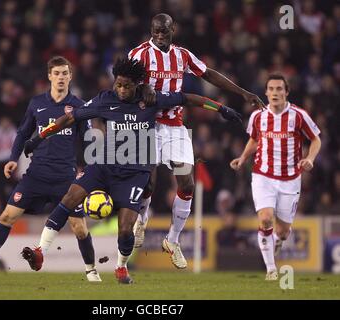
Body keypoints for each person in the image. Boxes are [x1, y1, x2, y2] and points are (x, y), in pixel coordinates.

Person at [22, 57, 242, 284]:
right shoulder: (104, 100)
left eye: (127, 85)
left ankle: (121, 267)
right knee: (69, 198)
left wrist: (221, 108)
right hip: (103, 166)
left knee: (126, 230)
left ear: (137, 84)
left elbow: (189, 99)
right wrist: (39, 137)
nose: (122, 89)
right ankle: (40, 251)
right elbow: (69, 118)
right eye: (118, 84)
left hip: (134, 173)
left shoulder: (151, 100)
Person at [128, 13, 265, 269]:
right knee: (147, 182)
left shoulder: (183, 55)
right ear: (151, 29)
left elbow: (209, 74)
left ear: (173, 30)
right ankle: (142, 221)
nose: (160, 35)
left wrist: (243, 92)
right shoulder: (138, 54)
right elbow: (121, 85)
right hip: (146, 125)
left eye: (164, 31)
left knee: (187, 183)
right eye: (156, 31)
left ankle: (173, 240)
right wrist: (138, 90)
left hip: (175, 127)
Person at [0, 56, 102, 282]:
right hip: (36, 174)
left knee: (79, 227)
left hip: (65, 177)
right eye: (57, 73)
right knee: (6, 216)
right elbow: (23, 133)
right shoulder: (36, 103)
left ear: (71, 76)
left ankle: (91, 271)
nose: (61, 77)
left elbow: (89, 141)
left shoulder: (79, 106)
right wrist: (13, 158)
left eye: (65, 73)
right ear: (49, 76)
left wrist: (90, 170)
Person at [230, 74, 321, 280]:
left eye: (279, 89)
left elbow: (316, 140)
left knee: (283, 232)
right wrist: (243, 158)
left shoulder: (298, 115)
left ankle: (278, 241)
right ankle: (271, 270)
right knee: (265, 219)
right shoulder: (257, 116)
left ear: (286, 92)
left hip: (290, 179)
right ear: (266, 93)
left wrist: (310, 158)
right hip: (263, 176)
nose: (275, 93)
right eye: (271, 89)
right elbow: (254, 139)